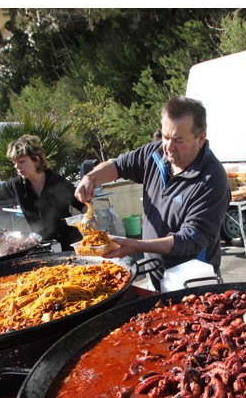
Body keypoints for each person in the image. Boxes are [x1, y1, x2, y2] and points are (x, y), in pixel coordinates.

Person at [75, 95, 230, 290]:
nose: (169, 147)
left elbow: (190, 239)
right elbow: (119, 165)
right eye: (165, 137)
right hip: (156, 276)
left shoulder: (212, 178)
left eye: (178, 140)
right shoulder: (154, 154)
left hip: (193, 282)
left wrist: (136, 245)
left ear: (200, 138)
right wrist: (91, 178)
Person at [0, 135, 84, 246]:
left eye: (21, 161)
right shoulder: (16, 184)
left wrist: (90, 220)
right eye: (14, 163)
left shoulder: (59, 182)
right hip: (41, 244)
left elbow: (83, 205)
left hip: (70, 243)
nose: (17, 166)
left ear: (36, 160)